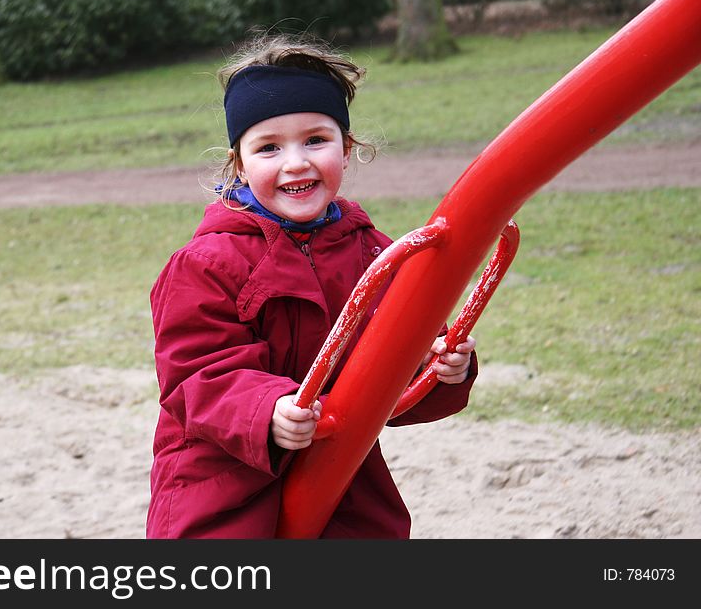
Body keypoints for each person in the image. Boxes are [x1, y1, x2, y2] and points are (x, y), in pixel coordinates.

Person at [147, 34, 478, 538]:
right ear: (239, 163)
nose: (295, 162)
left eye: (315, 140)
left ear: (347, 150)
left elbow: (394, 362)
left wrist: (439, 367)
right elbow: (197, 374)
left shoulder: (376, 255)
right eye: (269, 148)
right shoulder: (206, 264)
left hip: (341, 476)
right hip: (226, 485)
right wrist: (266, 409)